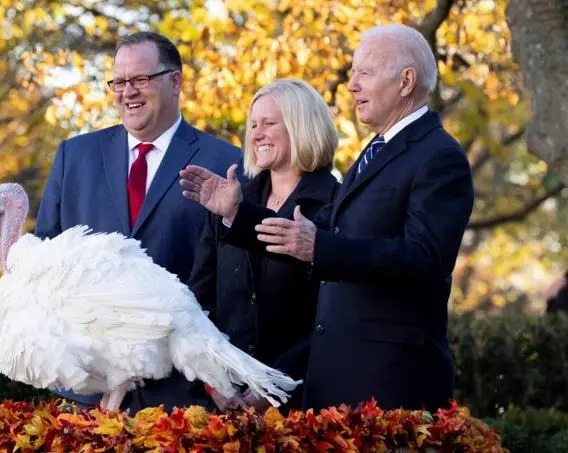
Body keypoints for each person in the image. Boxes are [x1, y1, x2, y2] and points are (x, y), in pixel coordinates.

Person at [180, 24, 475, 412]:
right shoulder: (378, 151)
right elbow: (313, 239)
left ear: (406, 81)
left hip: (392, 385)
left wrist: (320, 246)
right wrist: (237, 214)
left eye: (364, 73)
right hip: (343, 384)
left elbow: (425, 257)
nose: (351, 85)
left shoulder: (438, 156)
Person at [35, 31, 241, 411]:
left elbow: (237, 280)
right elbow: (44, 263)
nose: (127, 91)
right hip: (89, 396)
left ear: (175, 81)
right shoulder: (74, 157)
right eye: (119, 82)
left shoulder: (224, 163)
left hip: (184, 396)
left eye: (141, 80)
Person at [185, 79, 340, 412]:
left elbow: (332, 318)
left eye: (269, 123)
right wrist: (214, 382)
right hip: (225, 405)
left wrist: (272, 387)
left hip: (302, 406)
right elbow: (197, 303)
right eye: (253, 124)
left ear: (301, 126)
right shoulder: (230, 198)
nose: (256, 134)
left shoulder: (334, 205)